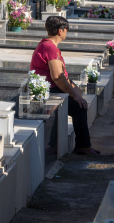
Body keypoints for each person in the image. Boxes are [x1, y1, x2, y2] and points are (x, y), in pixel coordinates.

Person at [30, 16, 100, 155]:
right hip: (48, 91)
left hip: (51, 88)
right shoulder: (49, 47)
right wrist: (74, 95)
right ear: (61, 31)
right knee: (79, 107)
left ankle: (57, 145)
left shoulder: (48, 45)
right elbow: (57, 77)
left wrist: (75, 90)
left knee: (76, 103)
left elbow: (62, 76)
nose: (66, 32)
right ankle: (83, 146)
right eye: (66, 30)